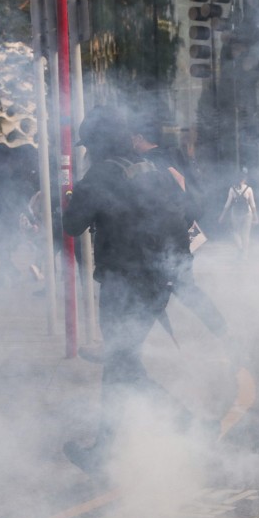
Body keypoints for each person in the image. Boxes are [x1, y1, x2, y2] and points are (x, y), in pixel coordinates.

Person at [61, 105, 199, 476]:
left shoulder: (100, 176)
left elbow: (72, 226)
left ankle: (188, 424)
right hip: (160, 280)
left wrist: (70, 193)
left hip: (125, 284)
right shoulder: (153, 168)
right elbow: (185, 217)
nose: (86, 151)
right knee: (121, 363)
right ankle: (104, 448)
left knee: (123, 363)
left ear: (97, 144)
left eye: (88, 144)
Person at [130, 111, 227, 337]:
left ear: (139, 138)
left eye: (133, 138)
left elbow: (179, 185)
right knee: (172, 289)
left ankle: (123, 348)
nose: (131, 142)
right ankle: (123, 349)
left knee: (168, 289)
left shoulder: (153, 162)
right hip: (180, 233)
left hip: (167, 236)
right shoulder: (175, 155)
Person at [218, 169, 258, 258]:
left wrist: (222, 216)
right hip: (247, 213)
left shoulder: (232, 189)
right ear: (245, 179)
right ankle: (245, 256)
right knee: (246, 234)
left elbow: (227, 204)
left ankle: (240, 248)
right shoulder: (249, 189)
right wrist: (256, 217)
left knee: (235, 232)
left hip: (236, 213)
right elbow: (252, 204)